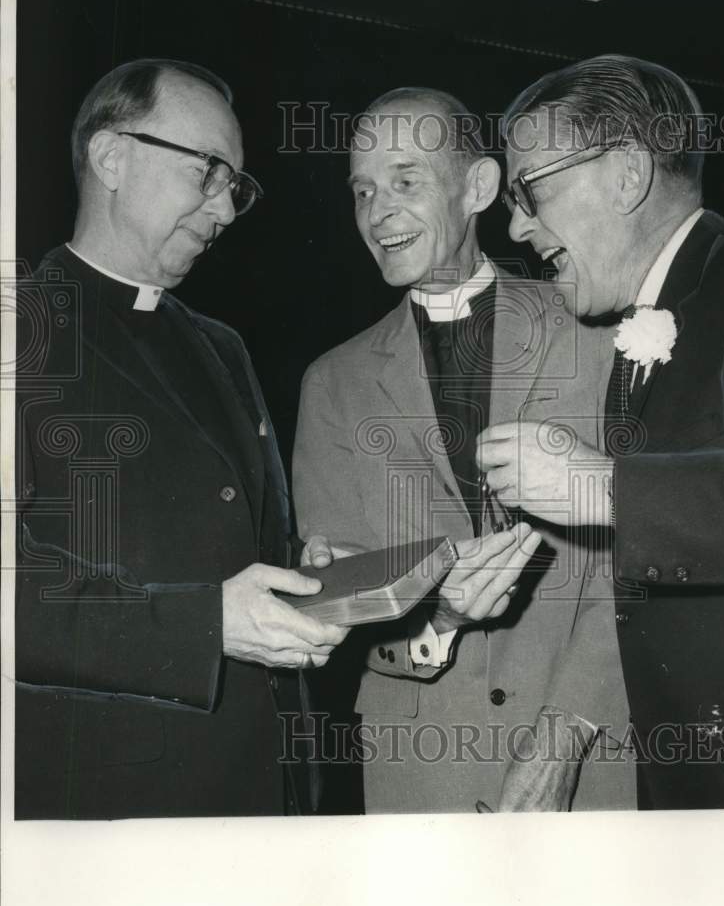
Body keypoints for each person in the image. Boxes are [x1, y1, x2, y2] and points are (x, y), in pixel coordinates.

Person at [14, 58, 347, 819]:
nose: (226, 209)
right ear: (111, 158)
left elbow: (229, 551)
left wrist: (307, 575)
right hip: (111, 807)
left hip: (267, 787)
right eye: (208, 172)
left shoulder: (220, 344)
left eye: (236, 186)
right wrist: (205, 625)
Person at [293, 87, 634, 813]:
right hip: (421, 769)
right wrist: (434, 622)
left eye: (405, 180)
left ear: (477, 186)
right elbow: (334, 608)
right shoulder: (332, 383)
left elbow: (642, 555)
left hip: (590, 746)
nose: (377, 210)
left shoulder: (596, 333)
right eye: (361, 190)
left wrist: (564, 732)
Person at [479, 54, 724, 809]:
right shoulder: (648, 320)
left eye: (530, 189)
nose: (514, 224)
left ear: (627, 174)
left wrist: (601, 486)